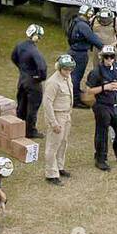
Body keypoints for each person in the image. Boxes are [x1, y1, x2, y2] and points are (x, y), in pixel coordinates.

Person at [85, 45, 117, 171]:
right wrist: (105, 87)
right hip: (102, 105)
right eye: (106, 57)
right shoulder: (96, 72)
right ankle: (100, 159)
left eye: (111, 57)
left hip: (116, 104)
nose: (109, 59)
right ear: (102, 58)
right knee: (102, 133)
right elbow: (89, 90)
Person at [41, 55, 75, 186]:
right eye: (65, 69)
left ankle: (59, 167)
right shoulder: (53, 82)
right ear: (59, 68)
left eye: (70, 69)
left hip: (66, 114)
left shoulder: (67, 77)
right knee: (53, 145)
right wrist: (53, 122)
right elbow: (47, 104)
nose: (68, 71)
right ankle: (51, 174)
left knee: (63, 142)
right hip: (57, 115)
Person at [11, 24, 48, 138]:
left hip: (22, 79)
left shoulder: (20, 45)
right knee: (33, 107)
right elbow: (42, 67)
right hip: (33, 82)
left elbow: (13, 57)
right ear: (35, 36)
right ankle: (30, 131)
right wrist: (40, 77)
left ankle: (19, 126)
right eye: (39, 36)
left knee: (22, 104)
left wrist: (22, 69)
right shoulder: (34, 50)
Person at [66, 5, 103, 106]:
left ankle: (75, 93)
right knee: (76, 76)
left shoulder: (75, 21)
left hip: (74, 50)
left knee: (74, 75)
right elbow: (93, 38)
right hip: (80, 53)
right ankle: (75, 100)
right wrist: (104, 48)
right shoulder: (83, 26)